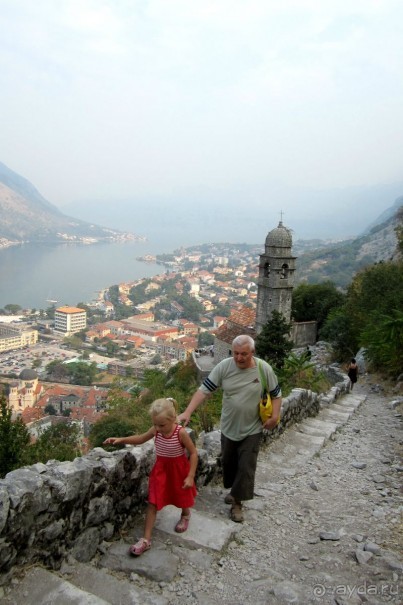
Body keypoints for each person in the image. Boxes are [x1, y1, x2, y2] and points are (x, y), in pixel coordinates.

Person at [178, 334, 281, 523]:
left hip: (252, 428)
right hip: (228, 426)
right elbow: (204, 390)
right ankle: (234, 492)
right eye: (236, 353)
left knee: (246, 467)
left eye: (244, 354)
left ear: (253, 352)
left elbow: (276, 394)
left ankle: (238, 504)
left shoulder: (263, 369)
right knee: (229, 463)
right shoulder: (224, 366)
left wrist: (275, 416)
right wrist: (187, 412)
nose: (240, 358)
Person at [103, 397, 198, 556]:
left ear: (173, 419)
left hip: (178, 470)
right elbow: (141, 438)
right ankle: (146, 540)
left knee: (181, 494)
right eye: (155, 424)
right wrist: (122, 439)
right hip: (160, 470)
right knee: (153, 502)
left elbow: (194, 453)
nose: (158, 429)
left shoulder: (180, 433)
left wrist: (190, 475)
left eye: (162, 425)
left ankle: (186, 514)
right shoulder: (156, 430)